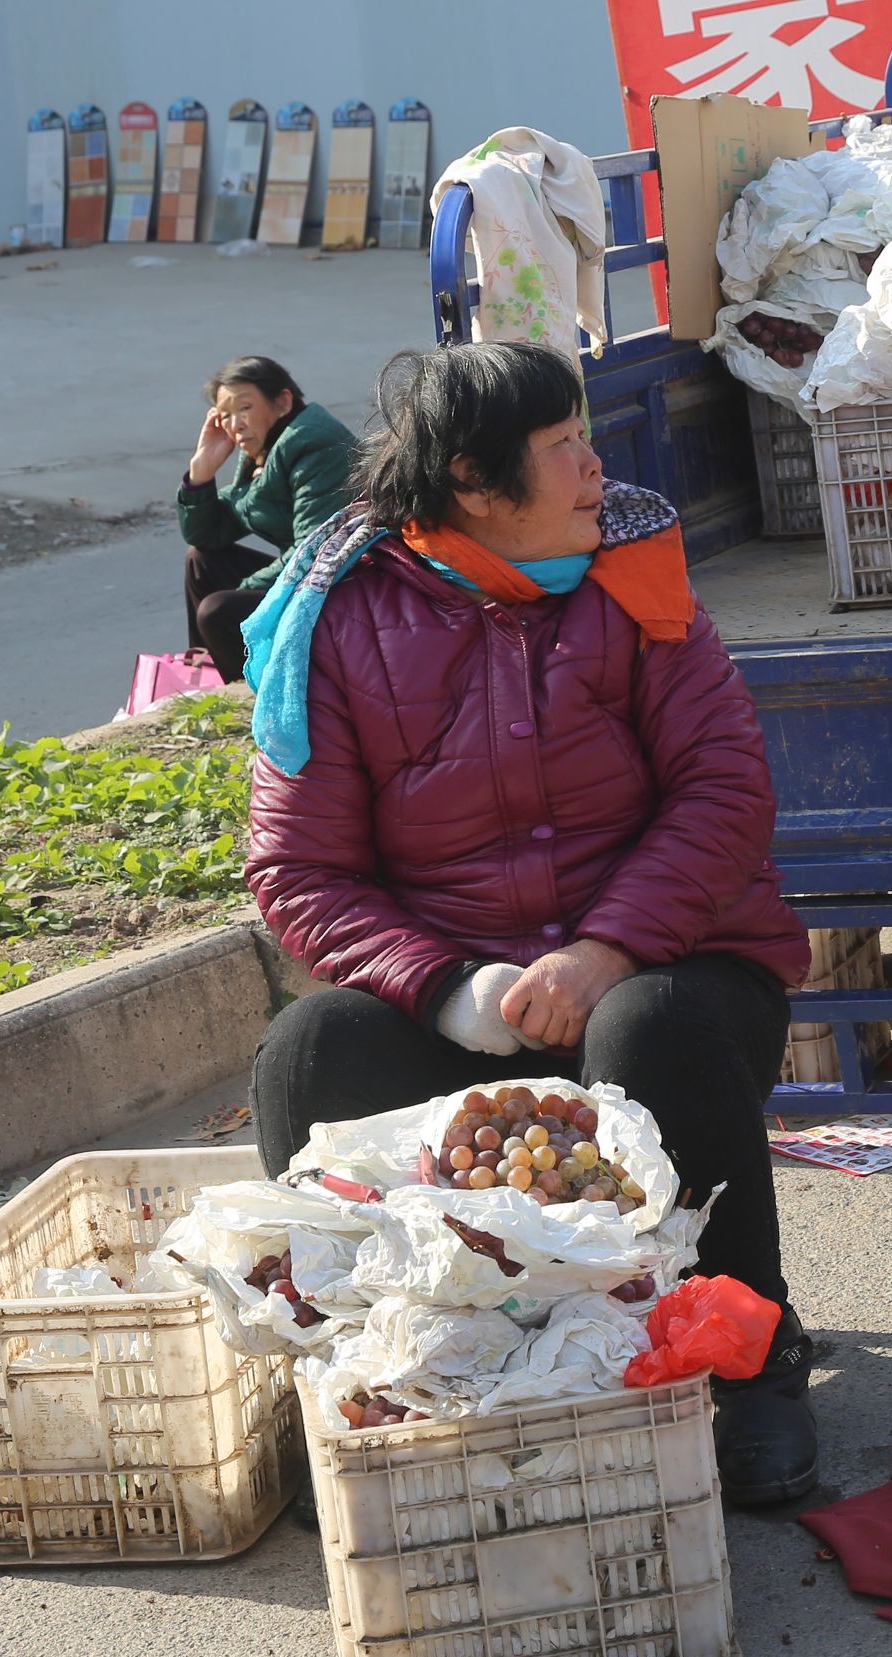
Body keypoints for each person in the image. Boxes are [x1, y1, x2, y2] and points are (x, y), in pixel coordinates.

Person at [242, 342, 818, 1502]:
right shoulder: (336, 620)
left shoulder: (636, 576)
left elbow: (723, 793)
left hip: (670, 968)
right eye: (563, 449)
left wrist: (602, 950)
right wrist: (446, 984)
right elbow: (298, 867)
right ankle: (353, 1380)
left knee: (650, 1033)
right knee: (308, 1051)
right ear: (473, 482)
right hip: (464, 999)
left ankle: (749, 1361)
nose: (597, 468)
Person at [179, 356, 357, 683]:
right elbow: (205, 535)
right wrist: (200, 473)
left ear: (282, 402)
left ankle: (249, 696)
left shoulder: (314, 444)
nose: (236, 424)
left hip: (346, 593)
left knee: (219, 611)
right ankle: (207, 679)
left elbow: (314, 550)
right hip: (310, 579)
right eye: (226, 416)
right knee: (201, 561)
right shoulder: (262, 451)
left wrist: (243, 590)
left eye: (245, 408)